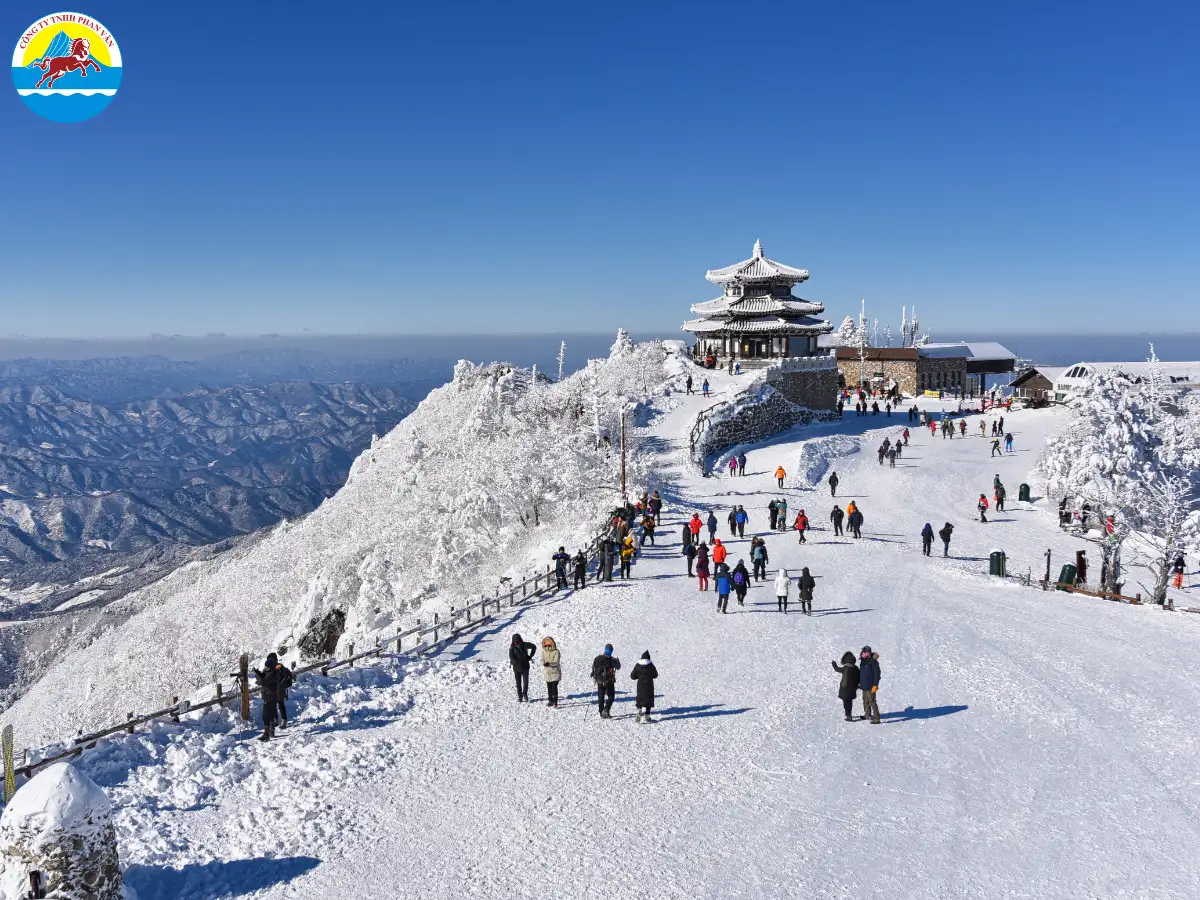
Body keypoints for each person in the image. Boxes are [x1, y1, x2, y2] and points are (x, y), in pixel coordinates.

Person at [254, 653, 292, 740]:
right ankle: (278, 723)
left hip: (276, 691)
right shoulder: (277, 667)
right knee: (278, 706)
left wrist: (278, 686)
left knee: (274, 708)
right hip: (278, 691)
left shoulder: (276, 668)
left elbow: (264, 681)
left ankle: (275, 725)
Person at [590, 644, 621, 719]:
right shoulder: (612, 660)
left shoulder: (597, 658)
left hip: (599, 680)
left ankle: (601, 712)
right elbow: (618, 667)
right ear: (611, 651)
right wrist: (617, 661)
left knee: (601, 696)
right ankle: (606, 710)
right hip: (609, 681)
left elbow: (593, 667)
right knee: (611, 696)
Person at [631, 651, 659, 723]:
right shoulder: (651, 665)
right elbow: (655, 675)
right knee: (648, 700)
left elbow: (632, 676)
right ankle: (647, 716)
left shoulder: (638, 665)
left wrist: (639, 676)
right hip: (649, 686)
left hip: (640, 686)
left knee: (640, 699)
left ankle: (639, 712)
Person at [509, 634, 537, 703]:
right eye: (514, 642)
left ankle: (524, 694)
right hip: (516, 668)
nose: (516, 643)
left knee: (525, 682)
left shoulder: (524, 644)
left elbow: (534, 646)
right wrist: (514, 661)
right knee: (518, 683)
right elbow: (511, 657)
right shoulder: (512, 648)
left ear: (520, 640)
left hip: (525, 667)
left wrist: (530, 656)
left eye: (517, 642)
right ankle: (520, 697)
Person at [832, 652, 860, 722]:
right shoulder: (856, 668)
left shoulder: (845, 668)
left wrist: (834, 664)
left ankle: (848, 715)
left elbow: (837, 669)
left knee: (846, 702)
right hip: (852, 689)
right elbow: (859, 677)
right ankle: (849, 714)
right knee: (849, 702)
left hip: (845, 689)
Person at [859, 647, 882, 724]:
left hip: (871, 685)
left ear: (869, 653)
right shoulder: (862, 661)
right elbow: (861, 674)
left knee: (872, 702)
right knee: (865, 701)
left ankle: (877, 718)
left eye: (866, 652)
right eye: (863, 652)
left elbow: (877, 674)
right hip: (864, 685)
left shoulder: (873, 662)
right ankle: (867, 715)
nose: (864, 653)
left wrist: (875, 685)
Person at [541, 636, 562, 708]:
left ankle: (555, 702)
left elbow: (556, 661)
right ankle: (550, 700)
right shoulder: (543, 651)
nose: (547, 647)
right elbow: (542, 659)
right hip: (547, 673)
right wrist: (543, 663)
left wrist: (549, 663)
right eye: (545, 645)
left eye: (549, 645)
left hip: (555, 673)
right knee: (549, 688)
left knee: (554, 688)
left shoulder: (556, 651)